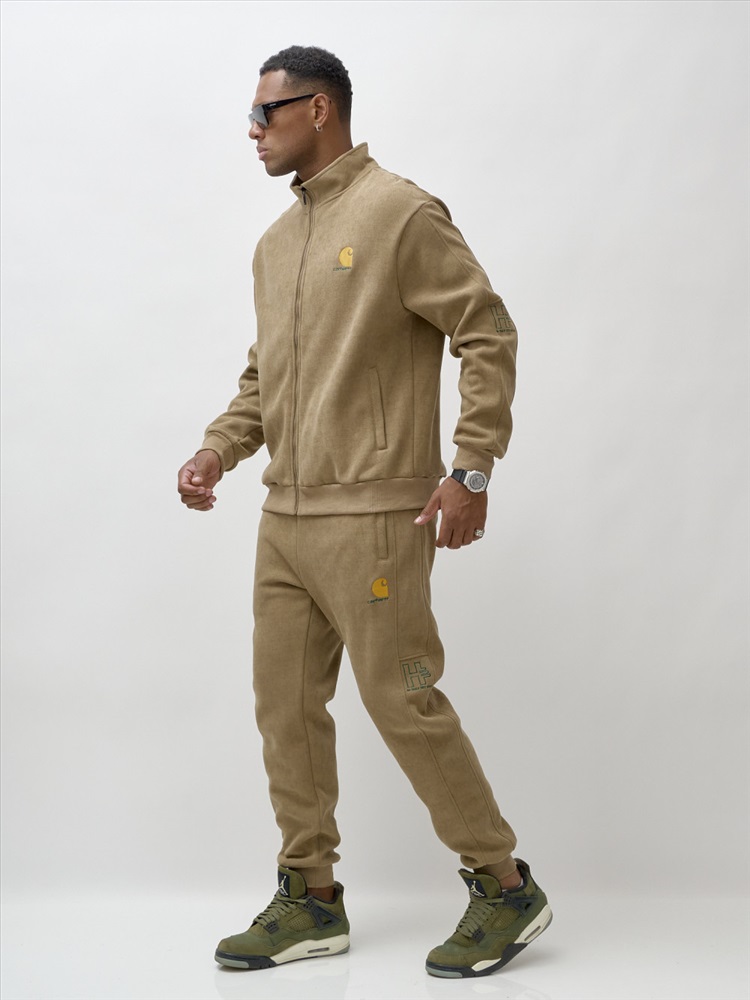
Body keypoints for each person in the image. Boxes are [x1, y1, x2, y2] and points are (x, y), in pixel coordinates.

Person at [177, 45, 551, 979]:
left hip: (377, 515)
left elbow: (486, 330)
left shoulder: (399, 213)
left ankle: (506, 886)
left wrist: (472, 469)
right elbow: (264, 380)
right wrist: (219, 447)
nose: (252, 130)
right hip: (286, 522)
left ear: (321, 109)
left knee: (402, 699)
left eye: (266, 113)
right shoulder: (276, 245)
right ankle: (311, 897)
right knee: (285, 709)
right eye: (251, 114)